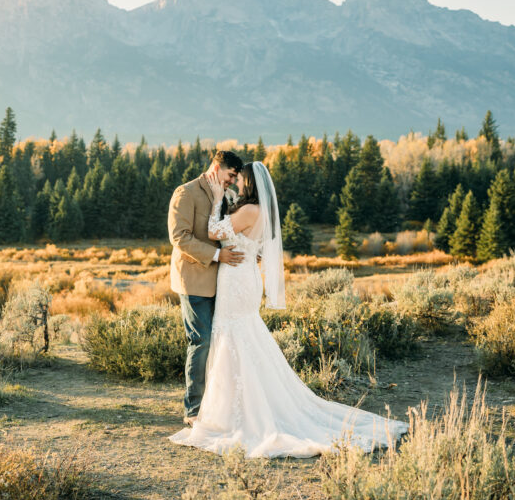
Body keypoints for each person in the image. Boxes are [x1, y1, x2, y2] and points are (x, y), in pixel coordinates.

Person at [169, 161, 410, 458]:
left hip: (235, 279)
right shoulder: (257, 210)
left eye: (240, 179)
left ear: (249, 183)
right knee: (240, 334)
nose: (236, 183)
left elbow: (214, 231)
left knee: (231, 334)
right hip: (243, 276)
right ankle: (231, 404)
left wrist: (218, 199)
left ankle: (229, 409)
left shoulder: (249, 209)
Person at [167, 150, 246, 426]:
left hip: (223, 282)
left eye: (235, 178)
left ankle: (218, 405)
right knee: (201, 341)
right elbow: (180, 237)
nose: (232, 181)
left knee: (221, 343)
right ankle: (194, 410)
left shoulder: (226, 195)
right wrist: (217, 255)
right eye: (230, 175)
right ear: (216, 167)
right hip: (194, 280)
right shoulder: (186, 193)